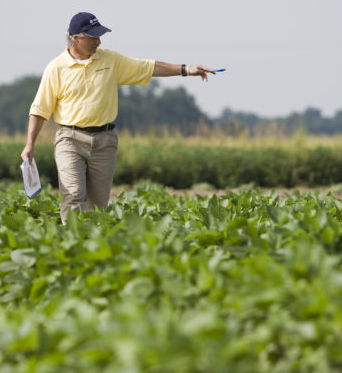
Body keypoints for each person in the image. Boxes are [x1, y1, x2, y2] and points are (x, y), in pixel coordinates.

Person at [21, 12, 216, 222]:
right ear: (76, 38)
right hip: (70, 139)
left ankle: (93, 246)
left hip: (105, 140)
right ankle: (72, 244)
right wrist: (29, 145)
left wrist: (186, 69)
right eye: (93, 37)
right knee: (74, 194)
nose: (99, 41)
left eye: (99, 36)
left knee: (98, 205)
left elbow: (147, 67)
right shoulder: (56, 68)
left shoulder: (111, 60)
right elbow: (40, 109)